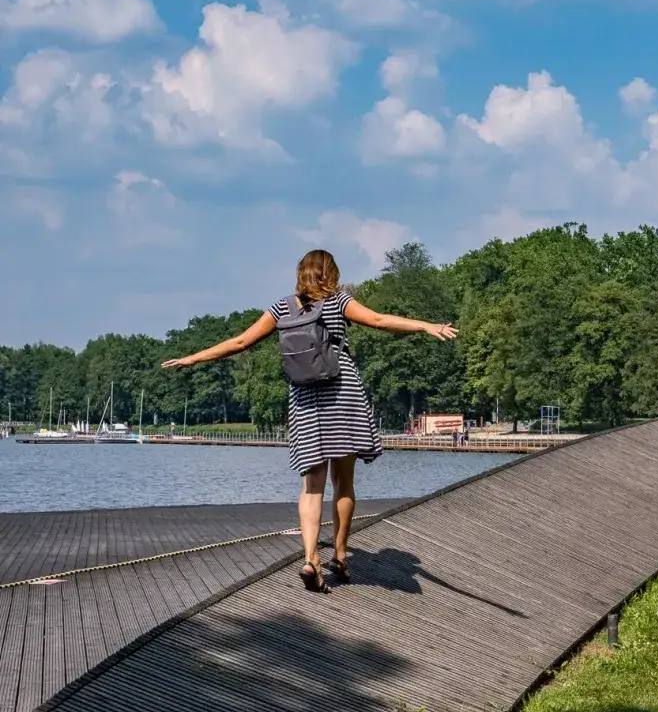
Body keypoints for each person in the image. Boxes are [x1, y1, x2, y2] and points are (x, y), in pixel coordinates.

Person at [162, 249, 457, 593]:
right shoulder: (338, 301)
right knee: (343, 482)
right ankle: (341, 555)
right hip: (341, 392)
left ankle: (310, 558)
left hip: (304, 398)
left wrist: (192, 358)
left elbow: (240, 342)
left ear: (300, 273)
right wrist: (425, 325)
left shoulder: (282, 308)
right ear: (331, 273)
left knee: (311, 485)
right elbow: (378, 320)